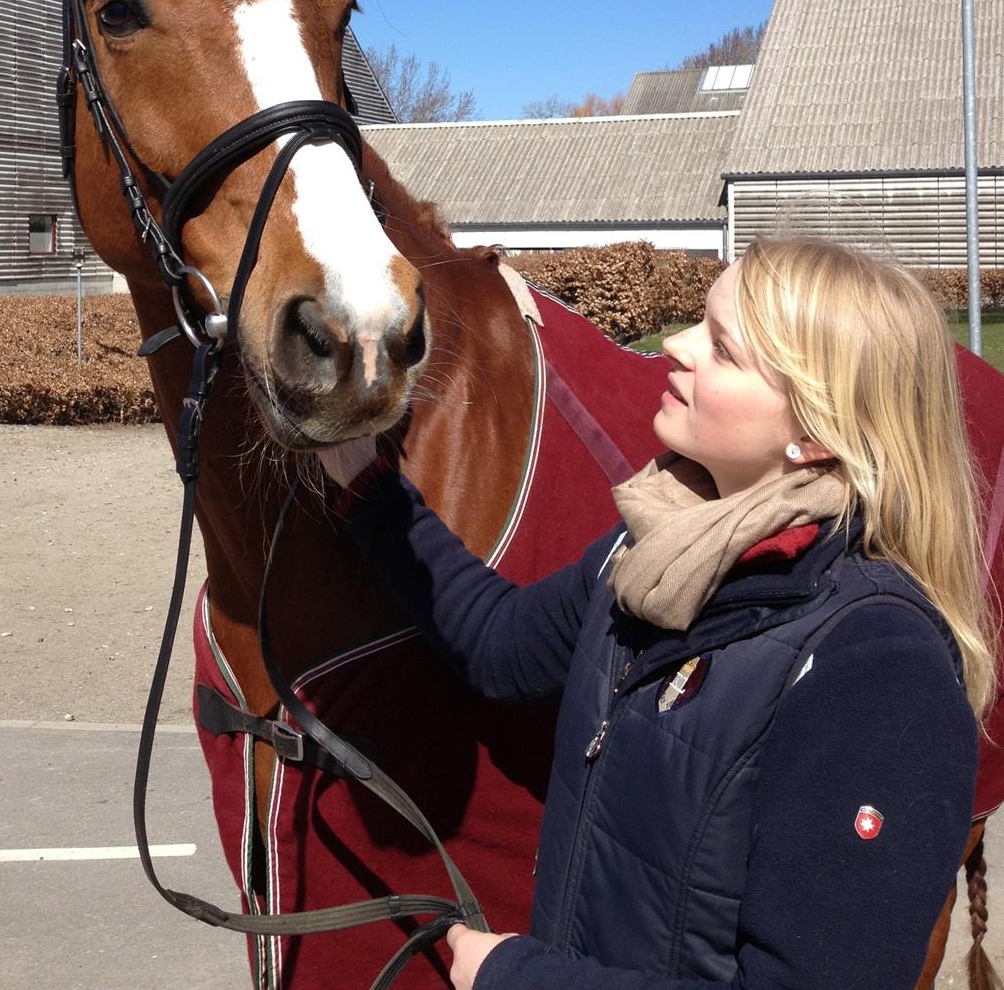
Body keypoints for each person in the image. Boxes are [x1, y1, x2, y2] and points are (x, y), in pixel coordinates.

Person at [317, 237, 996, 989]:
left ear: (813, 434)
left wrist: (516, 977)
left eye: (723, 348)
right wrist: (368, 490)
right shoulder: (654, 548)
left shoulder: (875, 669)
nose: (675, 346)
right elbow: (500, 645)